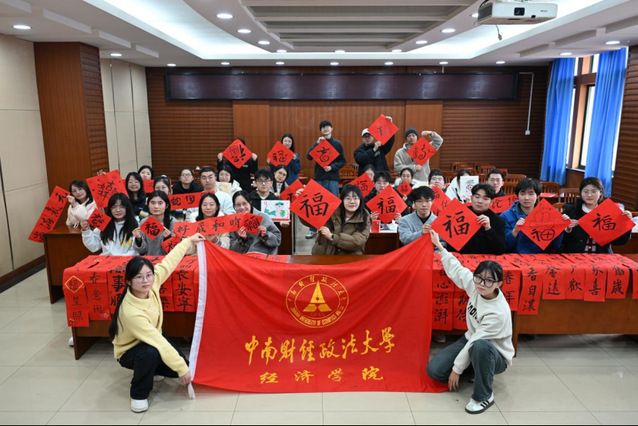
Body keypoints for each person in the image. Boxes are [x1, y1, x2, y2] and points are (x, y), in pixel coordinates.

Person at [110, 233, 205, 413]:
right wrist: (182, 369)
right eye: (139, 277)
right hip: (131, 350)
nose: (146, 281)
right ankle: (138, 394)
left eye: (148, 275)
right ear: (128, 281)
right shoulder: (131, 312)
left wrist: (188, 241)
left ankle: (152, 369)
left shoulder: (152, 285)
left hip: (151, 339)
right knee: (152, 355)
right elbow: (158, 341)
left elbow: (169, 262)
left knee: (180, 366)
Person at [427, 230, 514, 415]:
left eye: (489, 281)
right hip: (471, 340)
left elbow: (477, 341)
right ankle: (477, 370)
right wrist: (439, 246)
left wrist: (457, 370)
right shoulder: (476, 287)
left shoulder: (497, 312)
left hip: (494, 352)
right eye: (479, 278)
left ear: (499, 284)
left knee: (480, 347)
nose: (482, 283)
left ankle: (484, 396)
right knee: (435, 371)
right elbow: (457, 270)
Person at [562, 176, 632, 253]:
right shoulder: (570, 210)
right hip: (576, 255)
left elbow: (619, 242)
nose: (589, 195)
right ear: (581, 193)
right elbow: (561, 243)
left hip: (602, 256)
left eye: (594, 191)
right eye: (585, 191)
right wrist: (567, 229)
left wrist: (625, 222)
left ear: (600, 193)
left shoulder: (609, 211)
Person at [500, 178, 567, 254]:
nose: (526, 198)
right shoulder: (505, 216)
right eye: (522, 194)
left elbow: (555, 246)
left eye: (531, 194)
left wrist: (560, 227)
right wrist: (515, 231)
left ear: (537, 196)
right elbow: (504, 246)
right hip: (514, 256)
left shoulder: (546, 214)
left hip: (540, 257)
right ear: (517, 196)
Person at [305, 120, 346, 238]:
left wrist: (332, 167)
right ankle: (313, 229)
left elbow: (343, 161)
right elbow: (308, 156)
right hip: (319, 177)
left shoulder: (337, 144)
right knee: (316, 204)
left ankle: (335, 229)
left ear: (332, 128)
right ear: (320, 130)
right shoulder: (318, 143)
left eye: (327, 126)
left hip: (332, 178)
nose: (325, 128)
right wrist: (316, 144)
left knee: (333, 205)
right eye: (322, 127)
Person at [311, 185, 371, 255]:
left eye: (355, 198)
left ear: (360, 200)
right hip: (324, 255)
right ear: (342, 200)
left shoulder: (365, 216)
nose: (352, 202)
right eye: (348, 198)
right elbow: (310, 220)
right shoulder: (331, 210)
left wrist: (332, 237)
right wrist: (302, 198)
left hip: (348, 258)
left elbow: (358, 241)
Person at [448, 184, 506, 254]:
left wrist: (488, 229)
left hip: (485, 258)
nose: (480, 201)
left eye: (485, 199)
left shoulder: (498, 220)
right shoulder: (459, 214)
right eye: (477, 197)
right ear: (471, 198)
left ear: (491, 202)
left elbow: (500, 250)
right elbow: (450, 245)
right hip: (460, 257)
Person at [134, 191, 175, 256]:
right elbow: (142, 251)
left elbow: (175, 251)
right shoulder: (144, 222)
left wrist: (168, 238)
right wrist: (139, 239)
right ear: (148, 205)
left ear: (166, 205)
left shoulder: (173, 222)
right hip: (149, 260)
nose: (156, 206)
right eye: (153, 203)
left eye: (160, 203)